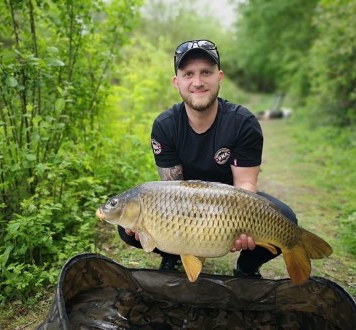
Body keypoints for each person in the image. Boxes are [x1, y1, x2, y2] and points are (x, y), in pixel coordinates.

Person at [118, 39, 297, 278]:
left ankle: (247, 266)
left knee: (285, 220)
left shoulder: (243, 122)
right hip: (183, 206)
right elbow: (170, 192)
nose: (198, 82)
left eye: (206, 73)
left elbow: (245, 185)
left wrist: (242, 225)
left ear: (219, 77)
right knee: (127, 225)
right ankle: (174, 256)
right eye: (188, 74)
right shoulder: (165, 125)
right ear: (177, 82)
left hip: (230, 207)